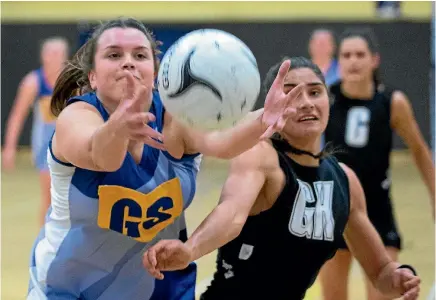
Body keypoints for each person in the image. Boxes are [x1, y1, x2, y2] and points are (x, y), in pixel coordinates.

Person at [27, 17, 300, 299]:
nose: (128, 62)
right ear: (93, 76)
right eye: (114, 54)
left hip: (160, 288)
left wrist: (262, 120)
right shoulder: (77, 117)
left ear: (155, 72)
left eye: (140, 55)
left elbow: (221, 142)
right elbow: (102, 156)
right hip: (70, 289)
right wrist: (118, 127)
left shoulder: (174, 120)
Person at [142, 56, 421, 300]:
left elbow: (380, 271)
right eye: (291, 93)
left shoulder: (344, 181)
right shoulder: (260, 156)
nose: (306, 103)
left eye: (315, 92)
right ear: (274, 105)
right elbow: (231, 214)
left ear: (328, 101)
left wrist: (399, 278)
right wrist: (190, 250)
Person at [320, 28, 435, 300]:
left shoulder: (391, 102)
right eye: (346, 55)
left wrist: (434, 193)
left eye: (360, 54)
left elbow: (419, 150)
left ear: (374, 60)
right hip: (335, 210)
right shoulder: (326, 98)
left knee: (385, 293)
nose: (353, 61)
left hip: (377, 213)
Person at [3, 37, 69, 226]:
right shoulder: (33, 82)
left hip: (69, 143)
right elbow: (17, 115)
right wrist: (9, 147)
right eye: (51, 54)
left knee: (70, 198)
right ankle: (45, 242)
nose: (55, 58)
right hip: (45, 146)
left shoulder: (72, 82)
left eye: (59, 54)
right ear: (43, 57)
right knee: (49, 197)